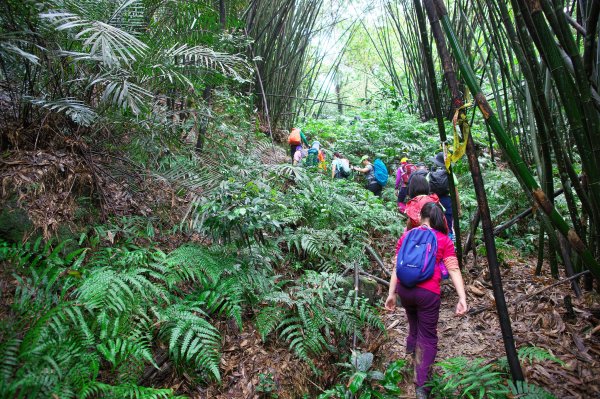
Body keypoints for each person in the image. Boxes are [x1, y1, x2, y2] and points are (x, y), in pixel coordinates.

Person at [385, 202, 467, 398]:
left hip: (405, 290)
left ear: (420, 217)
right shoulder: (443, 240)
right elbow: (453, 269)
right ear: (440, 218)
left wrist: (391, 294)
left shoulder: (406, 236)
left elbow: (397, 267)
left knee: (414, 325)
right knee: (428, 336)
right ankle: (422, 385)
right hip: (428, 294)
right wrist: (462, 297)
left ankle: (410, 358)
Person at [428, 152, 461, 241]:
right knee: (448, 225)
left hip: (434, 202)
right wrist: (458, 208)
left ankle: (436, 245)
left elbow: (427, 191)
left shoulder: (430, 174)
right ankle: (450, 245)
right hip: (447, 202)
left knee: (434, 225)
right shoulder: (450, 174)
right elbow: (456, 193)